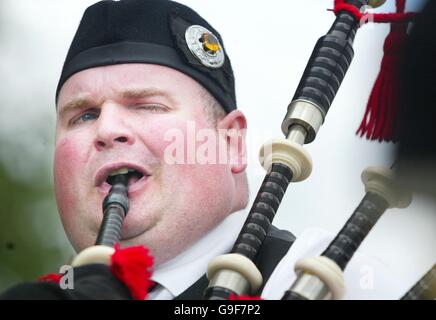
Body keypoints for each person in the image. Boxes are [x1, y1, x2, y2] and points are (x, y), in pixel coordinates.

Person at [2, 0, 404, 300]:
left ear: (229, 144)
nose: (107, 129)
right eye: (83, 116)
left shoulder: (334, 277)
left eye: (146, 105)